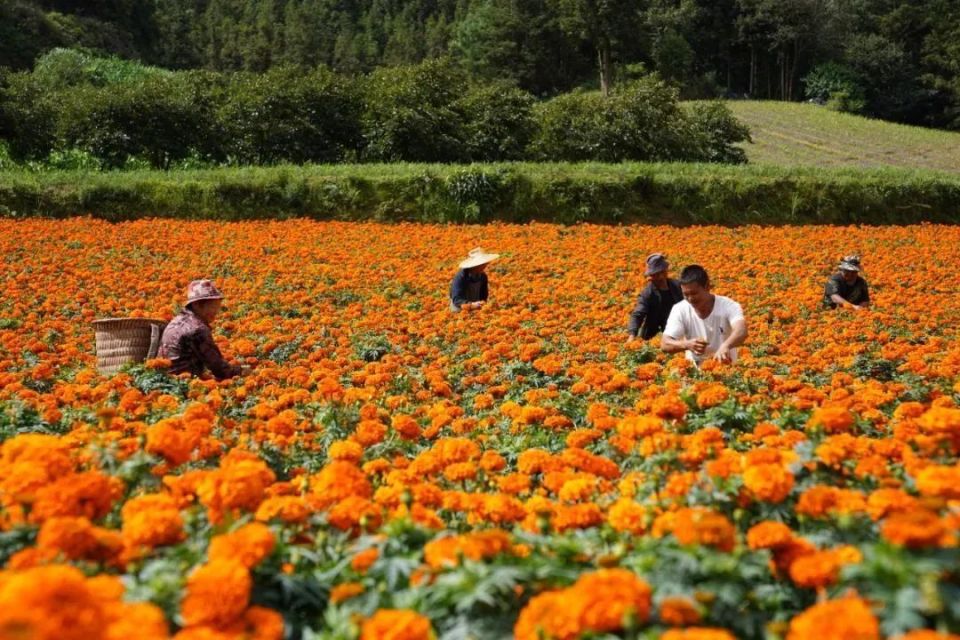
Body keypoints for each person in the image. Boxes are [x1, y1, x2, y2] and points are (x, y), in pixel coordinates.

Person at [661, 265, 748, 365]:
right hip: (694, 374)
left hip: (726, 369)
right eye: (685, 294)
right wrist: (686, 344)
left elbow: (741, 331)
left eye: (694, 293)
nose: (690, 299)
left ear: (707, 286)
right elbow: (665, 343)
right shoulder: (680, 309)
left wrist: (726, 346)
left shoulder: (728, 306)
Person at [158, 279, 244, 379]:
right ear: (196, 305)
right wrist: (242, 371)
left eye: (217, 306)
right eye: (212, 306)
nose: (216, 311)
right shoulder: (197, 329)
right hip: (184, 383)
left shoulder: (177, 320)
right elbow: (219, 369)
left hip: (164, 378)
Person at [627, 253, 683, 342]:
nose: (659, 277)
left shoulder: (677, 286)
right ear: (651, 276)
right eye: (655, 274)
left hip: (677, 331)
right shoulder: (648, 293)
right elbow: (638, 314)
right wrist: (632, 335)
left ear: (666, 271)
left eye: (661, 272)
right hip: (653, 335)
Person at [449, 248, 498, 312]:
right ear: (475, 265)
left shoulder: (483, 276)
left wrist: (482, 305)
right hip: (460, 310)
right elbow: (456, 299)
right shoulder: (460, 277)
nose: (485, 265)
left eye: (485, 263)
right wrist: (471, 305)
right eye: (482, 264)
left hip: (475, 308)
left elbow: (483, 296)